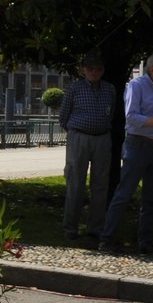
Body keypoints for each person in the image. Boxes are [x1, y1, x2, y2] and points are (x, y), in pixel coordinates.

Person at [96, 53, 153, 256]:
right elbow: (131, 117)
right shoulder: (136, 86)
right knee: (124, 193)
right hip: (138, 145)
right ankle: (107, 239)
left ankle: (146, 241)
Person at [57, 51, 115, 242]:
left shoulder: (110, 89)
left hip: (102, 138)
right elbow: (63, 116)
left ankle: (95, 228)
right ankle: (70, 227)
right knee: (75, 183)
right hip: (79, 137)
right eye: (90, 68)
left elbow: (111, 113)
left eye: (98, 69)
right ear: (83, 70)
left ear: (103, 70)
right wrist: (75, 132)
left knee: (100, 184)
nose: (94, 72)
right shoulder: (75, 88)